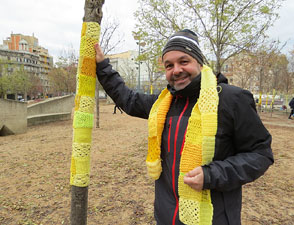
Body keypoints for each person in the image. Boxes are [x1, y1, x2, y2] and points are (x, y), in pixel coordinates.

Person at [94, 29, 273, 225]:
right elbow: (128, 99)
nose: (176, 70)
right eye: (169, 65)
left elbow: (261, 154)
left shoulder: (232, 99)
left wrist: (211, 175)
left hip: (214, 218)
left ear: (199, 62)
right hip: (167, 216)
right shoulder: (164, 103)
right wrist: (103, 66)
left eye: (184, 61)